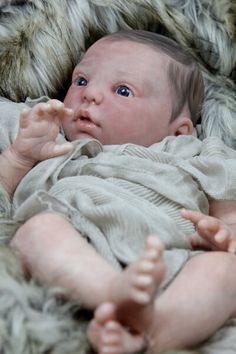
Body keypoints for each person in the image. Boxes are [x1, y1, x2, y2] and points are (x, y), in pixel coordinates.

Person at [0, 30, 236, 354]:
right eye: (81, 80)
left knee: (226, 272)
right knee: (37, 230)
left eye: (122, 90)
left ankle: (152, 335)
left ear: (178, 129)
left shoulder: (192, 151)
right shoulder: (44, 130)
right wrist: (19, 156)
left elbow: (227, 204)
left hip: (172, 260)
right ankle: (112, 293)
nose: (90, 94)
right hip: (77, 244)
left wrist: (224, 236)